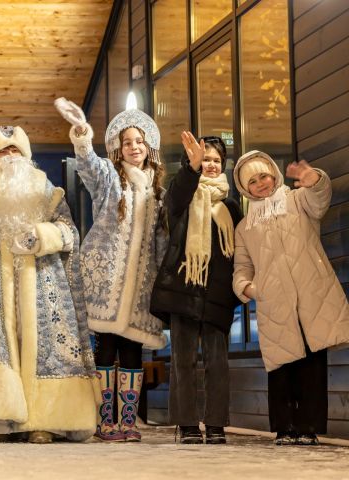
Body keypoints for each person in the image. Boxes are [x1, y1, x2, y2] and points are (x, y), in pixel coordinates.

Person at [0, 125, 98, 444]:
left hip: (43, 284)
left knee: (41, 347)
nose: (10, 156)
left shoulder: (46, 190)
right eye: (3, 151)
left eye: (16, 150)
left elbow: (69, 232)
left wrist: (41, 237)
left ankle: (44, 421)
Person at [55, 98, 167, 442]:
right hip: (107, 278)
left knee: (132, 349)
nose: (133, 147)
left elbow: (162, 240)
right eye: (126, 142)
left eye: (139, 141)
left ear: (149, 146)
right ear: (118, 148)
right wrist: (82, 134)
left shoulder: (159, 190)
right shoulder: (109, 178)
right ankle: (106, 421)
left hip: (141, 286)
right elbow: (87, 164)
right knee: (106, 346)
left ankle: (128, 422)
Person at [232, 151, 349, 446]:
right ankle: (285, 427)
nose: (260, 184)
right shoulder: (245, 226)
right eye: (253, 181)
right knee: (282, 365)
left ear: (274, 173)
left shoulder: (297, 200)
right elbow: (242, 268)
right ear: (245, 188)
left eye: (264, 176)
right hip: (274, 302)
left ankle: (308, 427)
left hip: (311, 293)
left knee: (312, 361)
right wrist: (250, 289)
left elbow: (319, 200)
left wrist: (315, 181)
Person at [150, 134, 242, 444]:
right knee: (183, 360)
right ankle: (187, 423)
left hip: (218, 293)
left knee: (217, 362)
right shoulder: (183, 198)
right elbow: (175, 197)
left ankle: (216, 423)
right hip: (183, 288)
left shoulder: (231, 206)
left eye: (216, 160)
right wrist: (190, 168)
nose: (211, 165)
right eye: (206, 159)